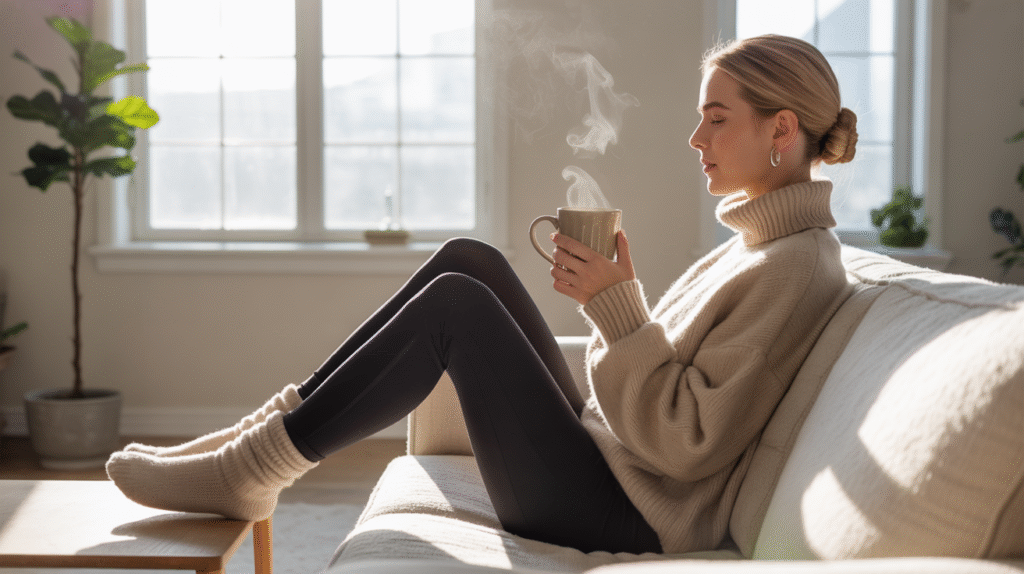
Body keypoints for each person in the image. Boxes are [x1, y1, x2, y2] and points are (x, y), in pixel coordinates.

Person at [107, 34, 856, 555]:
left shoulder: (792, 268)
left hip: (622, 512)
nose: (696, 138)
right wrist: (617, 307)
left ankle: (250, 470)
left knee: (458, 307)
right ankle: (258, 441)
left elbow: (688, 444)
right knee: (470, 259)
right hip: (606, 460)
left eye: (716, 119)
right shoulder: (766, 245)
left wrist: (617, 307)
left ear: (781, 130)